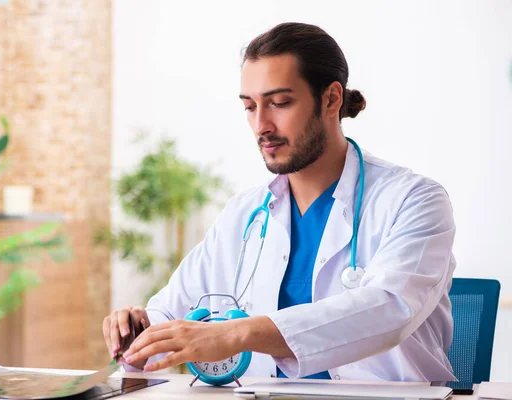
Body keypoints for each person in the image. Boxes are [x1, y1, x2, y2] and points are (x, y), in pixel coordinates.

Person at [102, 22, 457, 381]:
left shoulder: (413, 200)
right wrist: (141, 329)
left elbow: (388, 309)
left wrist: (237, 334)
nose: (261, 125)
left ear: (331, 99)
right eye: (250, 106)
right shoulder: (244, 215)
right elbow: (171, 310)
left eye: (280, 103)